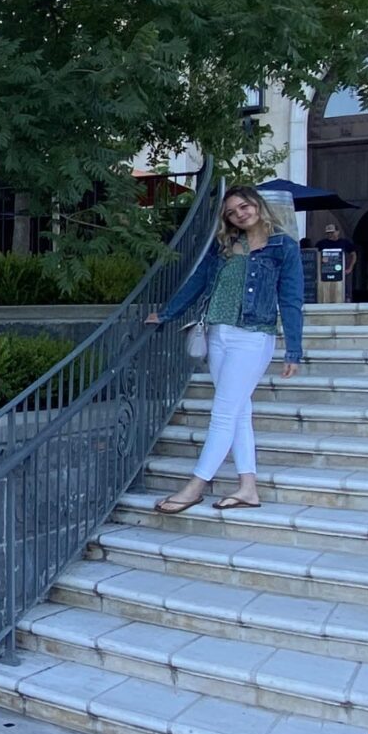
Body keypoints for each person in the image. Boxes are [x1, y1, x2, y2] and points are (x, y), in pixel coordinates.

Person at [144, 185, 304, 512]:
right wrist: (166, 313)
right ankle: (248, 488)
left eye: (243, 207)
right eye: (231, 212)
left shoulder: (283, 246)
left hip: (253, 336)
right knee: (239, 412)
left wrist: (293, 349)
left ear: (257, 205)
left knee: (223, 413)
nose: (239, 215)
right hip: (217, 333)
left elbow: (291, 300)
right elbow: (197, 281)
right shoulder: (225, 245)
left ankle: (195, 486)